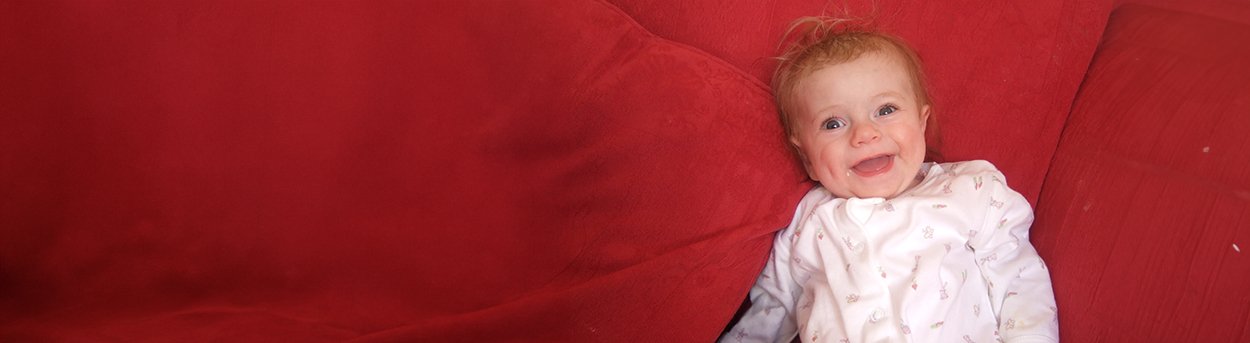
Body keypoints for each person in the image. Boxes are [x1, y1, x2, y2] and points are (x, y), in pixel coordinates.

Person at [722, 17, 1058, 343]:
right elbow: (773, 307)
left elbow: (1017, 273)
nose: (865, 134)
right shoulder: (808, 221)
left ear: (922, 123)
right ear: (807, 158)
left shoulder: (971, 190)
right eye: (833, 124)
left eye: (885, 110)